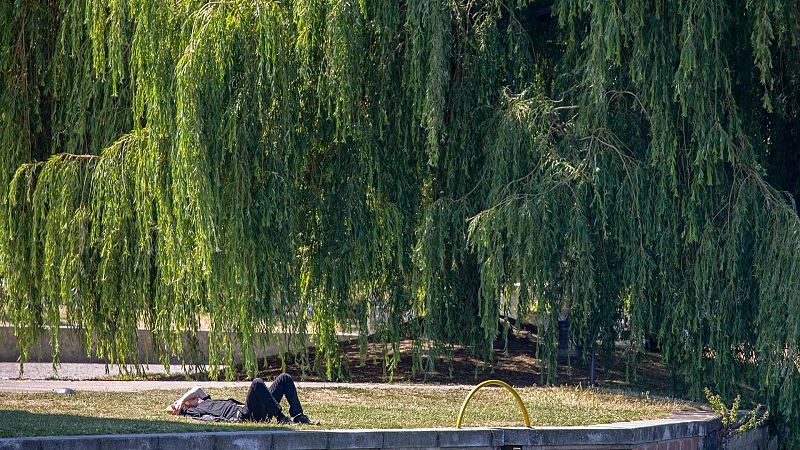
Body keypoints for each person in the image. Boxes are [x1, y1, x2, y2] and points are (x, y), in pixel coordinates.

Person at [165, 373, 318, 425]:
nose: (192, 399)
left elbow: (196, 388)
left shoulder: (206, 399)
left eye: (192, 398)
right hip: (245, 415)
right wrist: (179, 404)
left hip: (256, 410)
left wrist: (182, 399)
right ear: (188, 406)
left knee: (285, 378)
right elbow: (169, 409)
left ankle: (298, 416)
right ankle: (280, 417)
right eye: (189, 401)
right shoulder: (196, 411)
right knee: (257, 382)